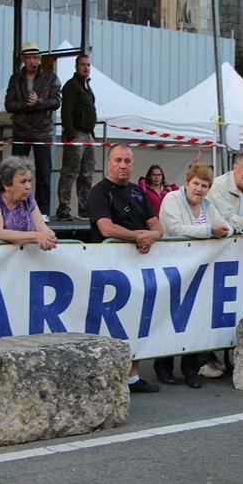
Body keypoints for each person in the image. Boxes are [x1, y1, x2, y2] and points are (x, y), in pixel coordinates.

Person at [87, 143, 162, 393]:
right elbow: (106, 228)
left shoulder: (138, 192)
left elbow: (157, 225)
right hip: (110, 268)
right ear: (108, 162)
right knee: (111, 324)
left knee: (138, 320)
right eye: (118, 160)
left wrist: (152, 236)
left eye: (127, 161)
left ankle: (133, 377)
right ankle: (110, 376)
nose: (123, 165)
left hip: (140, 266)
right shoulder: (99, 192)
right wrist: (137, 236)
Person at [154, 163, 231, 387]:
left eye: (204, 185)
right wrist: (209, 231)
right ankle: (163, 364)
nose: (199, 189)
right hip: (172, 267)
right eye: (196, 184)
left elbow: (225, 225)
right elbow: (176, 228)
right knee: (171, 317)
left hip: (199, 270)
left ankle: (190, 368)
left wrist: (224, 230)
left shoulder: (208, 205)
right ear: (187, 183)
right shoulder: (172, 199)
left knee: (195, 317)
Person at [4, 42, 61, 218]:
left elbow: (56, 102)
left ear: (40, 59)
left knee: (44, 172)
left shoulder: (50, 78)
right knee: (16, 172)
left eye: (35, 57)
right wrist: (26, 105)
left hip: (42, 131)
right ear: (23, 60)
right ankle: (14, 208)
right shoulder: (15, 78)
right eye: (29, 58)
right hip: (21, 130)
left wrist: (39, 103)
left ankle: (42, 212)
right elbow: (8, 105)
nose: (32, 61)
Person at [0, 157, 57, 250]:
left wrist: (49, 235)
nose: (28, 187)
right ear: (6, 184)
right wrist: (36, 236)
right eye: (23, 182)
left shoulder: (29, 199)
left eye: (29, 181)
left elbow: (41, 227)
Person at [56, 54, 96, 221]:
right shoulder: (71, 86)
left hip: (88, 134)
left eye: (88, 65)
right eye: (83, 65)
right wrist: (71, 134)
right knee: (70, 172)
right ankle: (64, 208)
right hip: (76, 134)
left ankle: (84, 208)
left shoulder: (86, 86)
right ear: (76, 66)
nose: (86, 68)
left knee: (87, 173)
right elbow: (66, 111)